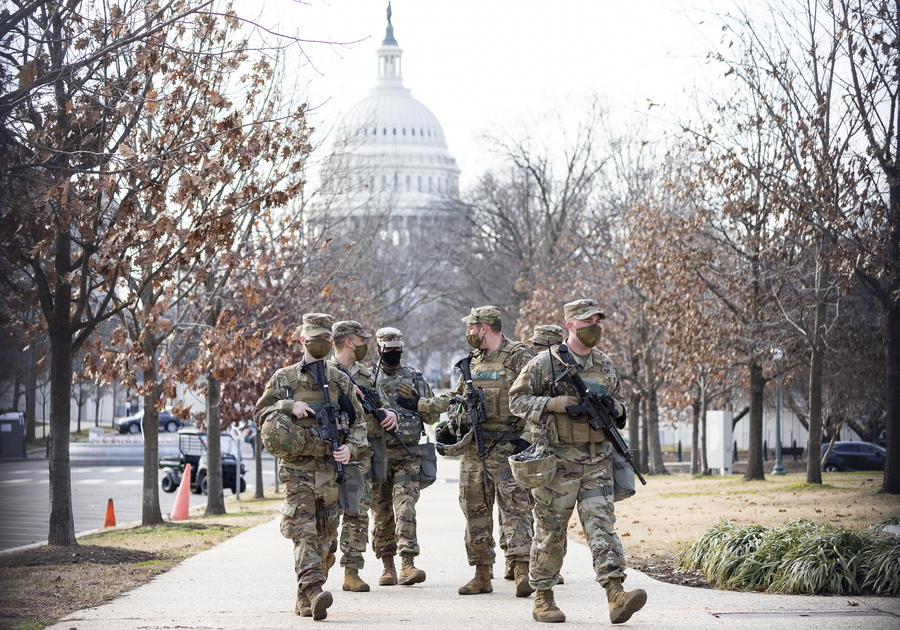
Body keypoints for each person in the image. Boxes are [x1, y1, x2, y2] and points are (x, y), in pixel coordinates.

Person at [509, 299, 646, 624]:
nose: (594, 327)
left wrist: (615, 408)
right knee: (551, 532)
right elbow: (516, 399)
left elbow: (622, 404)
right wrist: (553, 403)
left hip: (597, 460)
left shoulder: (605, 363)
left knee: (602, 526)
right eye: (588, 322)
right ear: (571, 325)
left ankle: (616, 594)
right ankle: (543, 596)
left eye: (598, 321)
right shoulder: (546, 362)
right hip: (557, 460)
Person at [396, 305, 535, 597]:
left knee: (516, 510)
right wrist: (421, 404)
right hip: (475, 448)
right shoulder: (472, 361)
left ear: (484, 327)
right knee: (474, 511)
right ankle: (482, 573)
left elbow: (536, 399)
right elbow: (456, 396)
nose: (468, 332)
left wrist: (528, 437)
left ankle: (521, 568)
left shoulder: (520, 356)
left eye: (471, 327)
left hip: (509, 447)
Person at [254, 313, 367, 621]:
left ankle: (304, 598)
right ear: (302, 339)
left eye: (327, 338)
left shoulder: (340, 379)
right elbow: (259, 412)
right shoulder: (284, 378)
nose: (323, 343)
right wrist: (288, 406)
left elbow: (359, 425)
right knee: (303, 532)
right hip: (297, 470)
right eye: (317, 338)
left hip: (331, 470)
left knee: (326, 539)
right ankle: (315, 590)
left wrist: (351, 448)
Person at [329, 320, 400, 593]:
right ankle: (323, 561)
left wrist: (390, 413)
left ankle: (352, 571)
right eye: (361, 340)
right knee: (329, 515)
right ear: (349, 341)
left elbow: (382, 404)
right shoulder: (324, 372)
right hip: (331, 455)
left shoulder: (366, 375)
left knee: (358, 515)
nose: (364, 345)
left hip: (362, 454)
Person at [370, 327, 438, 587]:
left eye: (398, 350)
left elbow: (432, 415)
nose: (393, 354)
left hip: (409, 453)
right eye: (388, 350)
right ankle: (387, 565)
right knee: (382, 511)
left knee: (405, 506)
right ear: (378, 350)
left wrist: (419, 402)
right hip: (378, 454)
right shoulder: (368, 379)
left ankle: (408, 562)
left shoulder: (415, 377)